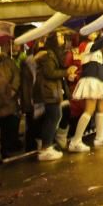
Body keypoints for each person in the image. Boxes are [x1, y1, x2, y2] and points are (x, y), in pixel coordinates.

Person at [67, 31, 103, 152]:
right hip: (91, 80)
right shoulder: (87, 45)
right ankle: (75, 141)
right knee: (89, 109)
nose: (95, 32)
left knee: (102, 105)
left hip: (97, 80)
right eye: (92, 30)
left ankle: (100, 136)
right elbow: (98, 44)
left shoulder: (94, 46)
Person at [34, 31, 77, 161]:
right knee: (53, 117)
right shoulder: (48, 54)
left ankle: (47, 146)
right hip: (48, 90)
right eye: (59, 36)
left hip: (53, 90)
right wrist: (66, 72)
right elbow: (50, 72)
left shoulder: (54, 53)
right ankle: (45, 148)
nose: (62, 37)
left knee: (55, 116)